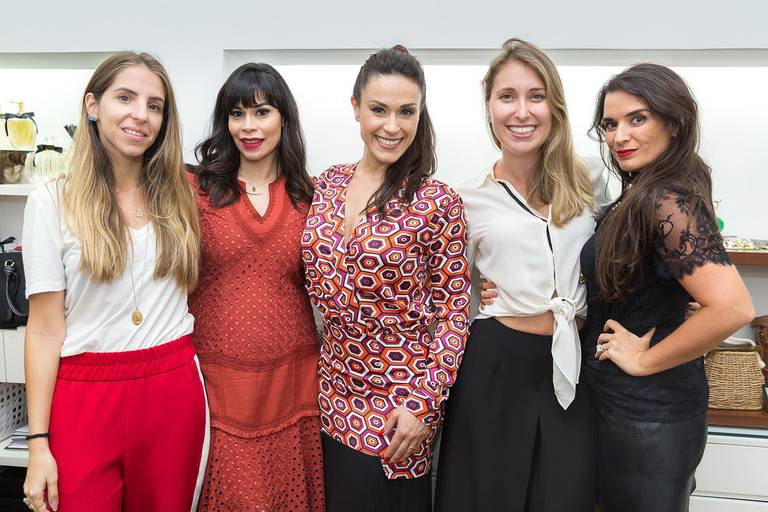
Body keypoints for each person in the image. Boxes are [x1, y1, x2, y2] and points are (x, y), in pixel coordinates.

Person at [21, 51, 207, 512]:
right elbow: (43, 330)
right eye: (125, 98)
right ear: (92, 105)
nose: (140, 115)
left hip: (172, 389)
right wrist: (38, 444)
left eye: (154, 105)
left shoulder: (184, 195)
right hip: (86, 394)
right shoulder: (51, 201)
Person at [301, 45, 470, 512]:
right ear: (356, 108)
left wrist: (424, 404)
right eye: (379, 109)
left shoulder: (436, 201)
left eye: (406, 112)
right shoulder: (327, 183)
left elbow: (454, 312)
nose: (392, 126)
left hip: (400, 409)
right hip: (329, 395)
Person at [434, 38, 599, 512]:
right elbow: (445, 290)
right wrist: (478, 293)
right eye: (507, 96)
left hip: (573, 364)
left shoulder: (591, 180)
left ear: (555, 107)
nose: (521, 111)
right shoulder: (465, 198)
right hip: (495, 367)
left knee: (565, 496)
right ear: (489, 108)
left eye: (536, 96)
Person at [582, 63, 754, 511]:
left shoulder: (667, 200)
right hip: (624, 407)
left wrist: (643, 360)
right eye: (610, 124)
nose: (619, 135)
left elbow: (732, 308)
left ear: (674, 124)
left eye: (637, 119)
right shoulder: (644, 193)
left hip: (647, 414)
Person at [189, 62, 324, 511]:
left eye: (261, 112)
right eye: (236, 114)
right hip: (217, 386)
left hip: (293, 385)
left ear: (283, 118)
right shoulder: (196, 190)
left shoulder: (311, 196)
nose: (248, 126)